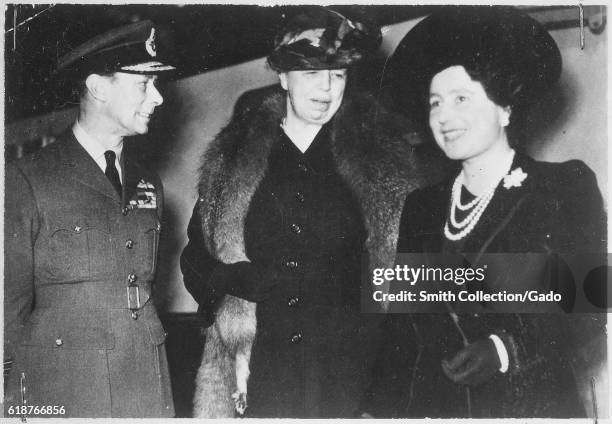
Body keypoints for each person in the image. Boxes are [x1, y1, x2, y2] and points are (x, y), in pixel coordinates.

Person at [180, 7, 435, 418]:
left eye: (338, 75)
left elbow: (407, 279)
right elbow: (195, 257)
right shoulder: (234, 158)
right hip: (259, 371)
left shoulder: (381, 161)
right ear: (282, 77)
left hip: (349, 373)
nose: (327, 89)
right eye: (313, 74)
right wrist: (226, 277)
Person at [360, 6, 607, 418]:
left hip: (529, 404)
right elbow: (402, 328)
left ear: (505, 109)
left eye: (461, 98)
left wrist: (504, 348)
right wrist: (377, 410)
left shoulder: (560, 187)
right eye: (435, 103)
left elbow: (586, 308)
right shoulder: (421, 207)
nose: (444, 117)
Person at [4, 20, 176, 418]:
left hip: (146, 382)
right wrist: (13, 403)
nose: (158, 98)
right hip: (68, 386)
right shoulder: (26, 179)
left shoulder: (150, 182)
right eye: (143, 84)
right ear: (98, 87)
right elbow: (6, 309)